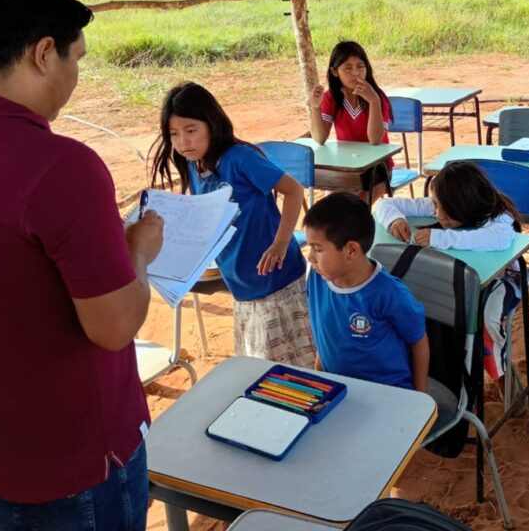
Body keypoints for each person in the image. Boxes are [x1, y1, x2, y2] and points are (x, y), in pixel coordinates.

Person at [0, 0, 164, 530]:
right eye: (76, 59)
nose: (75, 77)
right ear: (44, 53)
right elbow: (114, 326)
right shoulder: (60, 167)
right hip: (75, 472)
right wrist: (137, 250)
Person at [150, 82, 315, 366]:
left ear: (211, 124)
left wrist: (280, 242)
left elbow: (293, 189)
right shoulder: (194, 164)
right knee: (259, 365)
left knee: (294, 368)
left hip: (277, 279)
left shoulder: (240, 158)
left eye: (191, 130)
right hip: (240, 282)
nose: (182, 142)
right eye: (174, 134)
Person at [373, 160, 522, 379]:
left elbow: (497, 239)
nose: (436, 213)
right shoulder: (440, 205)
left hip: (502, 281)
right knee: (429, 311)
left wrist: (439, 237)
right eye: (434, 205)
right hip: (458, 280)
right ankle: (455, 382)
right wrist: (395, 220)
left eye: (442, 208)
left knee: (486, 320)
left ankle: (501, 376)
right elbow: (384, 205)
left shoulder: (498, 217)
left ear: (464, 204)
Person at [304, 193, 429, 391]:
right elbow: (324, 334)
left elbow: (418, 340)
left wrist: (421, 398)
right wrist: (320, 377)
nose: (310, 257)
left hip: (388, 393)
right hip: (339, 390)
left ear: (352, 250)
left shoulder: (389, 293)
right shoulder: (317, 279)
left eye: (317, 249)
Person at [307, 40, 393, 202]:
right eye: (348, 68)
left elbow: (375, 140)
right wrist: (315, 108)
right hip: (346, 168)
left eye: (360, 66)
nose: (355, 73)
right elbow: (320, 138)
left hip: (378, 170)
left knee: (356, 208)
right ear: (334, 71)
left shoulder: (378, 97)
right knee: (330, 206)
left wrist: (373, 101)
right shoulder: (331, 98)